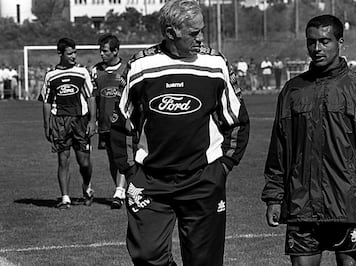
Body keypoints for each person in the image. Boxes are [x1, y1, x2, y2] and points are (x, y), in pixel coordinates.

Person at [118, 0, 250, 265]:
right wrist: (131, 169)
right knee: (146, 255)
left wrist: (223, 166)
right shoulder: (140, 66)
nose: (200, 39)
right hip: (152, 180)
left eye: (201, 31)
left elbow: (236, 120)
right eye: (193, 33)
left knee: (204, 261)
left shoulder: (215, 64)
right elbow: (121, 123)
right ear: (170, 33)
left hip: (203, 179)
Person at [262, 15, 356, 266]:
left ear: (340, 42)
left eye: (325, 41)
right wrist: (273, 196)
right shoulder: (292, 90)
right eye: (311, 42)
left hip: (348, 204)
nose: (317, 49)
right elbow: (278, 149)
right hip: (301, 205)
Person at [39, 37, 96, 209]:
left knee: (84, 162)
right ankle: (65, 198)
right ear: (60, 53)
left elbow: (90, 96)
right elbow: (47, 101)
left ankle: (87, 186)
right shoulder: (51, 75)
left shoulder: (82, 72)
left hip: (80, 120)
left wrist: (93, 120)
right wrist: (47, 125)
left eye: (75, 53)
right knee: (63, 160)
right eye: (70, 53)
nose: (73, 56)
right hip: (59, 121)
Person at [90, 34, 127, 209]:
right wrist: (92, 120)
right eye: (101, 51)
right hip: (104, 122)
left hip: (123, 123)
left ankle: (120, 192)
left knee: (123, 157)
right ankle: (119, 190)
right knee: (112, 158)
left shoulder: (128, 68)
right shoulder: (96, 71)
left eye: (104, 51)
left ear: (115, 51)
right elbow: (93, 97)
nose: (101, 54)